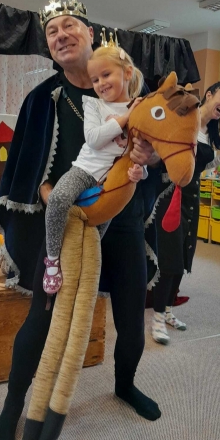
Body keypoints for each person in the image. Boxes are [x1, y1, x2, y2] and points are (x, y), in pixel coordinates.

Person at [0, 0, 161, 440]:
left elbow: (161, 149)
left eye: (69, 26)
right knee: (41, 320)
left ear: (91, 33)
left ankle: (125, 385)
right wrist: (48, 195)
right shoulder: (42, 100)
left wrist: (149, 156)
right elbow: (24, 167)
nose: (60, 35)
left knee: (132, 316)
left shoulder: (134, 93)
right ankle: (11, 409)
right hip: (67, 227)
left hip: (122, 220)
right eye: (51, 31)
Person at [43, 44, 145, 305]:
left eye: (106, 75)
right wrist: (125, 118)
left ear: (127, 73)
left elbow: (141, 152)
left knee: (94, 235)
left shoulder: (141, 111)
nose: (100, 83)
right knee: (58, 198)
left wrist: (140, 171)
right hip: (85, 170)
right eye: (95, 79)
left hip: (112, 184)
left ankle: (82, 276)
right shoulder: (93, 105)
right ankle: (52, 259)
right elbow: (94, 139)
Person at [148, 81, 220, 344]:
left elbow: (200, 166)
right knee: (170, 259)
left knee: (183, 258)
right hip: (170, 195)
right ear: (209, 95)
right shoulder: (185, 119)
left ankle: (168, 310)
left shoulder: (209, 132)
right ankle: (157, 318)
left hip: (191, 199)